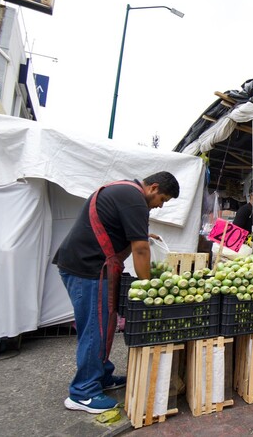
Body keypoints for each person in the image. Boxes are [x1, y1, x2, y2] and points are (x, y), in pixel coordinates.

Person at [53, 172, 180, 414]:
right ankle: (83, 393)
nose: (160, 205)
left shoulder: (124, 191)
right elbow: (140, 249)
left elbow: (127, 231)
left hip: (84, 266)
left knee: (103, 325)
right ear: (153, 188)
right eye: (162, 199)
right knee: (94, 329)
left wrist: (144, 235)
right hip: (88, 269)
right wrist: (149, 288)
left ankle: (101, 376)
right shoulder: (134, 199)